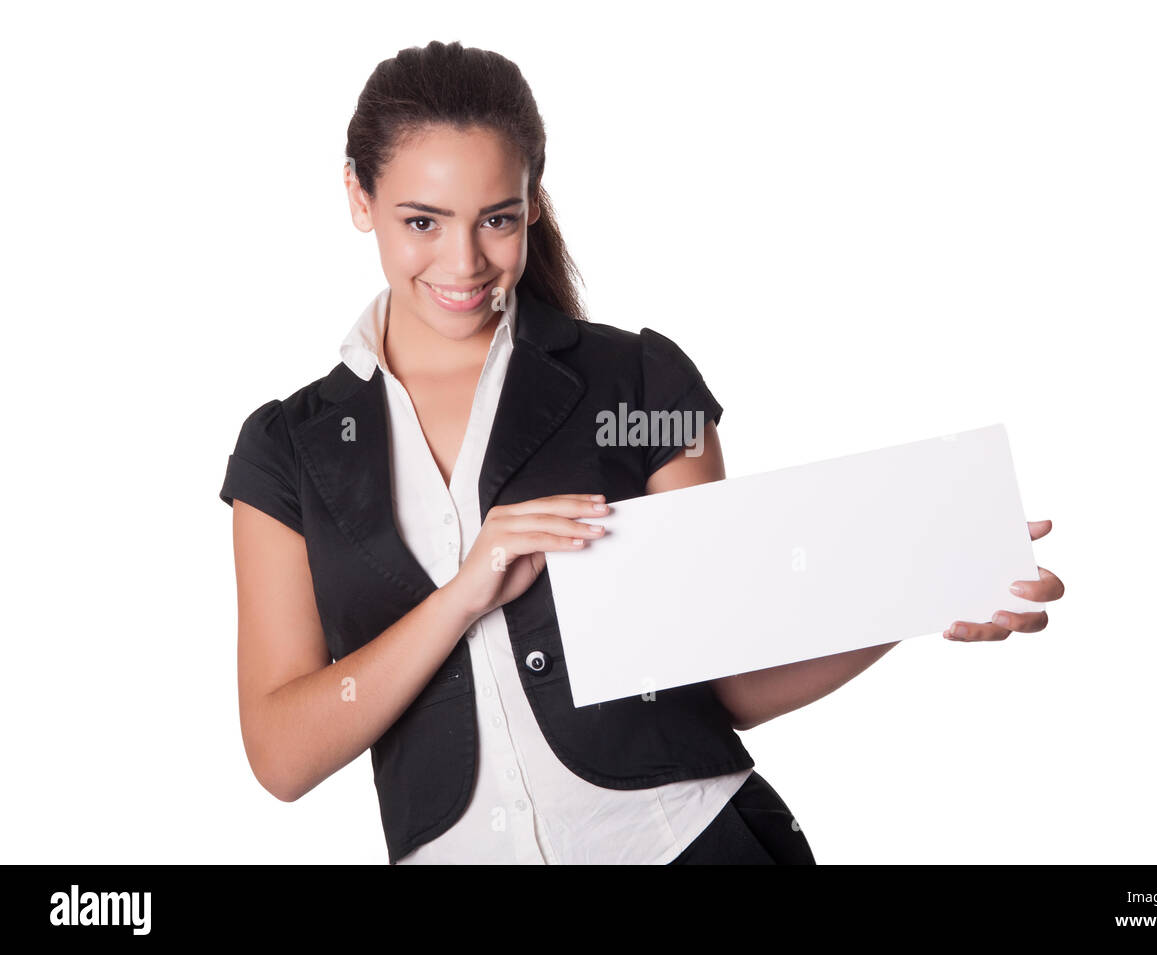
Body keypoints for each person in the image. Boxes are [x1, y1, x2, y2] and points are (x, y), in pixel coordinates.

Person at [219, 40, 1064, 865]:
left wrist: (920, 592)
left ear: (533, 204)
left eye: (498, 219)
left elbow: (727, 682)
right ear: (357, 195)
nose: (464, 261)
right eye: (421, 221)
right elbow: (283, 754)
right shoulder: (284, 452)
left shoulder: (640, 387)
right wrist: (465, 592)